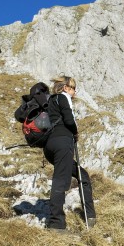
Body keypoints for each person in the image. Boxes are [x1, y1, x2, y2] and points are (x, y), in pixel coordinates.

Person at [43, 76, 96, 232]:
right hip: (62, 143)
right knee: (60, 180)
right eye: (73, 88)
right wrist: (75, 132)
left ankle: (90, 216)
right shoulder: (63, 97)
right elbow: (69, 119)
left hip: (50, 147)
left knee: (82, 175)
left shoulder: (51, 102)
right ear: (65, 87)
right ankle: (56, 224)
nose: (74, 91)